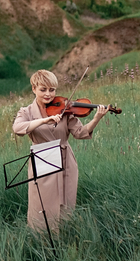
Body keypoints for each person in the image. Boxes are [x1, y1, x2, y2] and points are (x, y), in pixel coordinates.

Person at [12, 70, 108, 232]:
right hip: (43, 157)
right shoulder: (26, 112)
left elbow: (81, 133)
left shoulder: (64, 109)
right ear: (34, 89)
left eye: (52, 89)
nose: (48, 94)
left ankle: (65, 237)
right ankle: (41, 240)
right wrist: (44, 120)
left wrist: (96, 118)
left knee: (66, 200)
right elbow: (18, 128)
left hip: (65, 158)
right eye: (43, 89)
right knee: (42, 203)